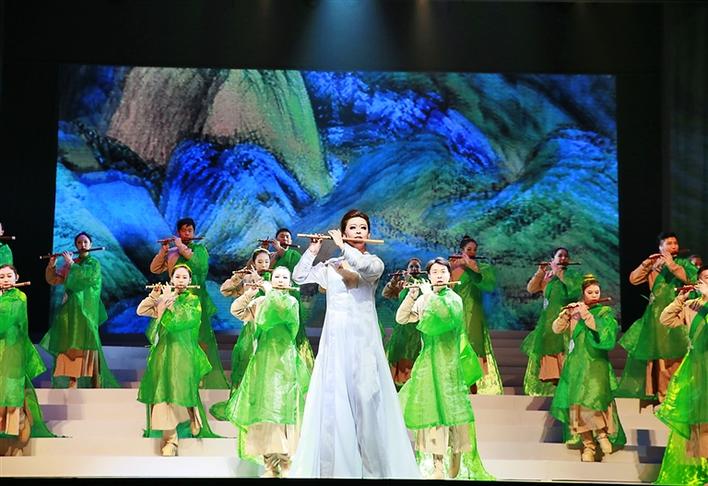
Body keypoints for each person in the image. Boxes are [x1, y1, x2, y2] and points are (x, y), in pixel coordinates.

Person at [288, 209, 420, 479]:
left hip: (363, 341)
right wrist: (313, 251)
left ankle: (374, 472)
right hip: (335, 341)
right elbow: (299, 277)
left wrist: (341, 247)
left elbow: (361, 268)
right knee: (335, 402)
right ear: (344, 231)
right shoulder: (332, 265)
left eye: (362, 228)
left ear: (368, 233)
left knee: (367, 400)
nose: (358, 232)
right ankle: (339, 471)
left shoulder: (373, 263)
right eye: (353, 228)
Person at [396, 257, 494, 480]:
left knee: (452, 415)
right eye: (434, 272)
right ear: (429, 276)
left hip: (450, 367)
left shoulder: (454, 300)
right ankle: (437, 465)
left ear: (450, 275)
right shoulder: (425, 298)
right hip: (428, 365)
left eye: (443, 272)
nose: (439, 275)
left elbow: (441, 321)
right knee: (432, 415)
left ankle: (456, 456)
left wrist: (428, 296)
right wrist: (412, 296)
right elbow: (402, 319)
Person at [224, 266, 310, 477]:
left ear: (289, 282)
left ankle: (285, 462)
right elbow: (237, 311)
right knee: (263, 411)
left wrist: (269, 290)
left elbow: (279, 310)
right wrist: (250, 294)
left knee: (281, 410)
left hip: (283, 363)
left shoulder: (291, 302)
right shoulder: (262, 301)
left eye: (284, 277)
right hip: (262, 362)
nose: (280, 280)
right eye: (276, 277)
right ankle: (270, 464)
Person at [136, 264, 218, 456]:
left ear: (189, 280)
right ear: (171, 279)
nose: (180, 281)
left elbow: (182, 322)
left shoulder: (193, 301)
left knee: (180, 391)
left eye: (184, 277)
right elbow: (141, 311)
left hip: (184, 355)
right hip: (163, 354)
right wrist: (155, 296)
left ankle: (192, 412)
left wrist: (170, 305)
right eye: (177, 277)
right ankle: (171, 440)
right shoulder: (164, 297)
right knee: (163, 395)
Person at [549, 275, 626, 462]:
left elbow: (606, 335)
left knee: (594, 399)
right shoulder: (575, 310)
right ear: (583, 293)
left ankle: (601, 434)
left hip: (596, 364)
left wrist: (586, 315)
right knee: (577, 403)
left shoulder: (604, 312)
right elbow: (556, 330)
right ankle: (588, 446)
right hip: (576, 365)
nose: (594, 295)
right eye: (590, 292)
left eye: (596, 292)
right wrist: (565, 315)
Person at [616, 232, 697, 404]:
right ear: (660, 247)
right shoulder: (653, 263)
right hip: (656, 316)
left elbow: (692, 279)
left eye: (675, 243)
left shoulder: (683, 263)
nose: (673, 246)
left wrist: (671, 264)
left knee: (677, 353)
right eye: (669, 243)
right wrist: (647, 264)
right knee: (660, 356)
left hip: (676, 314)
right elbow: (633, 279)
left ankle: (678, 394)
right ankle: (662, 395)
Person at [150, 217, 228, 389]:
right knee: (176, 336)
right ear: (178, 232)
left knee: (200, 336)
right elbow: (155, 269)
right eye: (183, 231)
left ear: (194, 232)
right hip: (176, 301)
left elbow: (199, 266)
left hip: (196, 301)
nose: (187, 233)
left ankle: (199, 374)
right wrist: (163, 251)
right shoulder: (172, 252)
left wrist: (181, 247)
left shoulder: (200, 250)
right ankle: (178, 374)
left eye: (190, 230)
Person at [40, 232, 119, 388]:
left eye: (85, 242)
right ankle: (72, 380)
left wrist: (71, 264)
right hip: (70, 309)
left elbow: (86, 279)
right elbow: (54, 280)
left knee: (87, 344)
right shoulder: (73, 262)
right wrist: (52, 265)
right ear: (76, 245)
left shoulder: (93, 264)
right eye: (79, 243)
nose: (82, 245)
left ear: (90, 244)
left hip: (86, 311)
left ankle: (93, 381)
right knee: (69, 344)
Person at [654, 266, 708, 485]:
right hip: (696, 367)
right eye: (706, 278)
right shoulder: (691, 305)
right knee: (697, 419)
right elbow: (665, 319)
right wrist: (680, 300)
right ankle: (700, 469)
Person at [210, 249, 272, 420]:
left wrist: (262, 283)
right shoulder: (247, 278)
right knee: (245, 361)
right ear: (253, 263)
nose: (264, 265)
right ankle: (241, 404)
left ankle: (262, 404)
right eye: (260, 262)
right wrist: (238, 277)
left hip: (268, 328)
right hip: (250, 327)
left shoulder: (274, 279)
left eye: (267, 261)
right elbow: (225, 291)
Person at [0, 265, 54, 455]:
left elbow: (5, 323)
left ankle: (15, 441)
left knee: (11, 396)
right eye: (1, 277)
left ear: (17, 277)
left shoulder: (19, 297)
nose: (5, 280)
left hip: (12, 351)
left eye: (9, 276)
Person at [521, 247, 583, 396]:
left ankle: (566, 389)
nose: (563, 258)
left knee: (564, 352)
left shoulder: (573, 275)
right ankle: (551, 388)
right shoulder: (548, 276)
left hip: (565, 321)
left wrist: (559, 273)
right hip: (548, 323)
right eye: (560, 256)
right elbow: (531, 289)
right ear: (552, 260)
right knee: (548, 355)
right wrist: (540, 272)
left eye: (566, 256)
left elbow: (575, 292)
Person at [451, 236, 504, 395]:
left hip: (473, 312)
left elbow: (488, 286)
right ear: (462, 251)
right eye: (469, 250)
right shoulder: (453, 267)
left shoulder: (481, 267)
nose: (472, 252)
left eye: (475, 250)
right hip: (456, 313)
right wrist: (451, 267)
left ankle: (474, 387)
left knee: (473, 345)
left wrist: (473, 268)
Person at [261, 228, 315, 373]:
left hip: (290, 297)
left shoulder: (294, 254)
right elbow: (263, 270)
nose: (285, 239)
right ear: (276, 239)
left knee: (292, 330)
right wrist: (264, 251)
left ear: (291, 241)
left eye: (287, 237)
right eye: (281, 236)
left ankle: (298, 366)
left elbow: (297, 272)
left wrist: (280, 249)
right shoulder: (272, 256)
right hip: (272, 297)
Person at [382, 257, 424, 387]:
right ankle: (397, 387)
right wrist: (394, 281)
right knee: (397, 355)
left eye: (417, 266)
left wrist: (410, 279)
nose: (414, 269)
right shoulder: (403, 284)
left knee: (411, 355)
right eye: (411, 266)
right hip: (401, 328)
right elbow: (386, 294)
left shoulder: (424, 284)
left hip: (416, 328)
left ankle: (410, 386)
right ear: (407, 269)